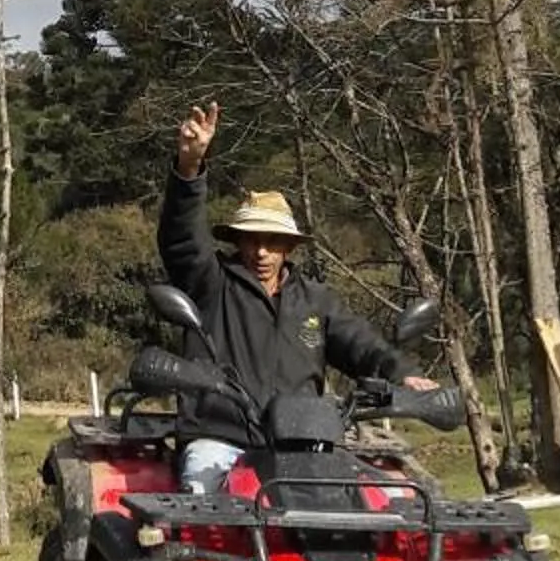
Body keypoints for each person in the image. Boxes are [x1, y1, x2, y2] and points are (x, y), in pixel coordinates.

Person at [158, 99, 436, 492]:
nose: (261, 252)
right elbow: (182, 240)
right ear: (238, 241)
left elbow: (361, 345)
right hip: (220, 440)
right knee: (200, 508)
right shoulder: (212, 282)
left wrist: (403, 374)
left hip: (304, 445)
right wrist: (189, 169)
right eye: (252, 240)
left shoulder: (314, 301)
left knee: (393, 504)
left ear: (289, 246)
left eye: (273, 242)